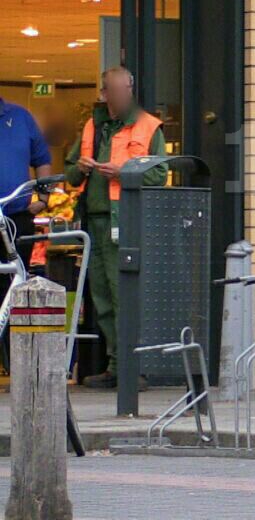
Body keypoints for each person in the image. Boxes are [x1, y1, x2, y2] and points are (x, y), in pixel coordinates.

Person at [65, 67, 167, 389]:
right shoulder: (92, 126)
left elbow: (159, 174)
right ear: (105, 93)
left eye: (127, 90)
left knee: (124, 293)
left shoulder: (148, 126)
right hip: (95, 221)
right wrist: (80, 168)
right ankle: (115, 364)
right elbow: (69, 174)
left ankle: (131, 367)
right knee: (103, 297)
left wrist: (122, 172)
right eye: (116, 90)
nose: (123, 96)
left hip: (125, 219)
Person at [0, 94, 53, 270]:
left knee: (17, 277)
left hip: (18, 217)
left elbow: (42, 159)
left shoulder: (21, 117)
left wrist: (43, 200)